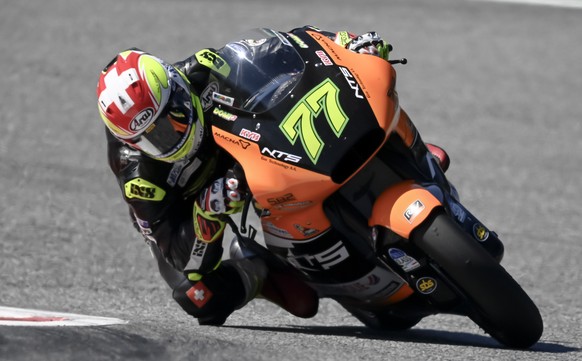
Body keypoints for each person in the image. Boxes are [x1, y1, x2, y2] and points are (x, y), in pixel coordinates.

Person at [96, 26, 450, 326]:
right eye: (152, 138)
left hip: (239, 150)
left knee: (344, 100)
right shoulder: (139, 177)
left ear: (175, 86)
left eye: (171, 117)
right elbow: (177, 254)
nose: (169, 136)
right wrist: (207, 210)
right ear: (132, 141)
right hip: (194, 204)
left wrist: (345, 42)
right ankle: (261, 269)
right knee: (199, 297)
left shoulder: (201, 67)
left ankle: (401, 153)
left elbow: (294, 47)